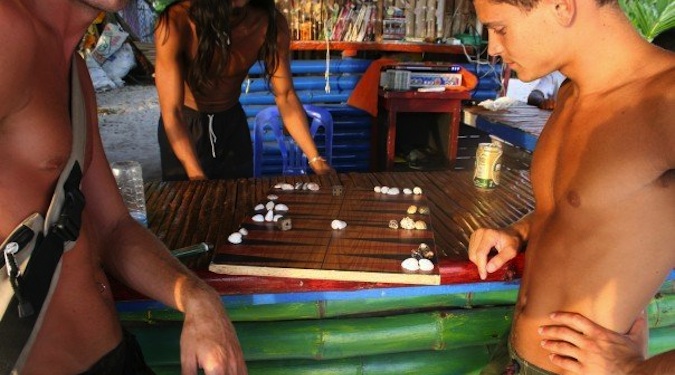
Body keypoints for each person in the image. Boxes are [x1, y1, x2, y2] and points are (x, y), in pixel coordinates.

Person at [0, 1, 246, 374]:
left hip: (117, 357)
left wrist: (197, 297)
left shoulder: (75, 73)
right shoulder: (8, 29)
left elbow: (115, 228)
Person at [468, 0, 675, 373]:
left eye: (499, 28)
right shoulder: (570, 94)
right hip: (512, 357)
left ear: (562, 6)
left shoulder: (665, 99)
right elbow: (582, 205)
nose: (494, 47)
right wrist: (520, 231)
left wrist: (634, 370)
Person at [154, 0, 333, 180]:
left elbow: (285, 96)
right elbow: (172, 112)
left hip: (232, 125)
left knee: (238, 202)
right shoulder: (176, 22)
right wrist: (196, 175)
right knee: (190, 202)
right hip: (185, 127)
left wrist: (316, 159)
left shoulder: (268, 23)